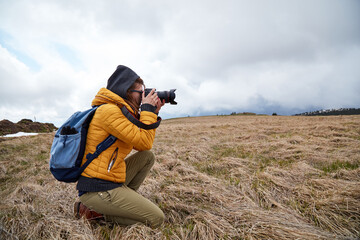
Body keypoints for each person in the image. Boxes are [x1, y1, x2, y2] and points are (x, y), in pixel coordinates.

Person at [74, 65, 165, 227]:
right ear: (127, 91)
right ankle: (93, 212)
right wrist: (148, 110)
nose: (144, 96)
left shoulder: (120, 112)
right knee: (156, 219)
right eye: (141, 92)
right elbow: (145, 141)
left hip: (111, 179)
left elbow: (143, 147)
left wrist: (152, 112)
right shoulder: (109, 111)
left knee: (147, 157)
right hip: (97, 188)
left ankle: (121, 205)